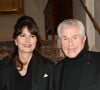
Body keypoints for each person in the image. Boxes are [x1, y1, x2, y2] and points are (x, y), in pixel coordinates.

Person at [0, 15, 54, 90]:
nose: (27, 40)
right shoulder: (3, 67)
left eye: (32, 36)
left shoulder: (48, 67)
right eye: (23, 35)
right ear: (16, 40)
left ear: (36, 40)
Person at [54, 19, 100, 90]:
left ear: (84, 39)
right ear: (60, 42)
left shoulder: (98, 61)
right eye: (65, 39)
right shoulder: (57, 69)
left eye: (75, 38)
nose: (70, 44)